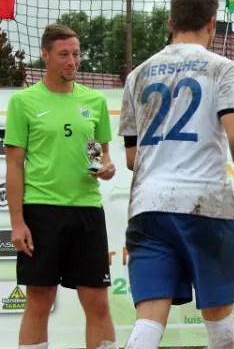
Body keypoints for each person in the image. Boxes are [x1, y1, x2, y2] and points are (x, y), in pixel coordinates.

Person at [118, 0, 234, 349]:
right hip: (205, 205)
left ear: (170, 23)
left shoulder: (138, 74)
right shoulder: (222, 67)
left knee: (148, 322)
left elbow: (132, 158)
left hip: (148, 207)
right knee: (220, 324)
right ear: (212, 23)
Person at [4, 24, 118, 349]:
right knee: (39, 302)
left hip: (87, 210)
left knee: (98, 302)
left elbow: (98, 154)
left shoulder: (94, 101)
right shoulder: (23, 102)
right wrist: (17, 222)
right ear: (45, 55)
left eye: (76, 54)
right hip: (42, 211)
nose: (72, 61)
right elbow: (14, 166)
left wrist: (104, 168)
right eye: (64, 54)